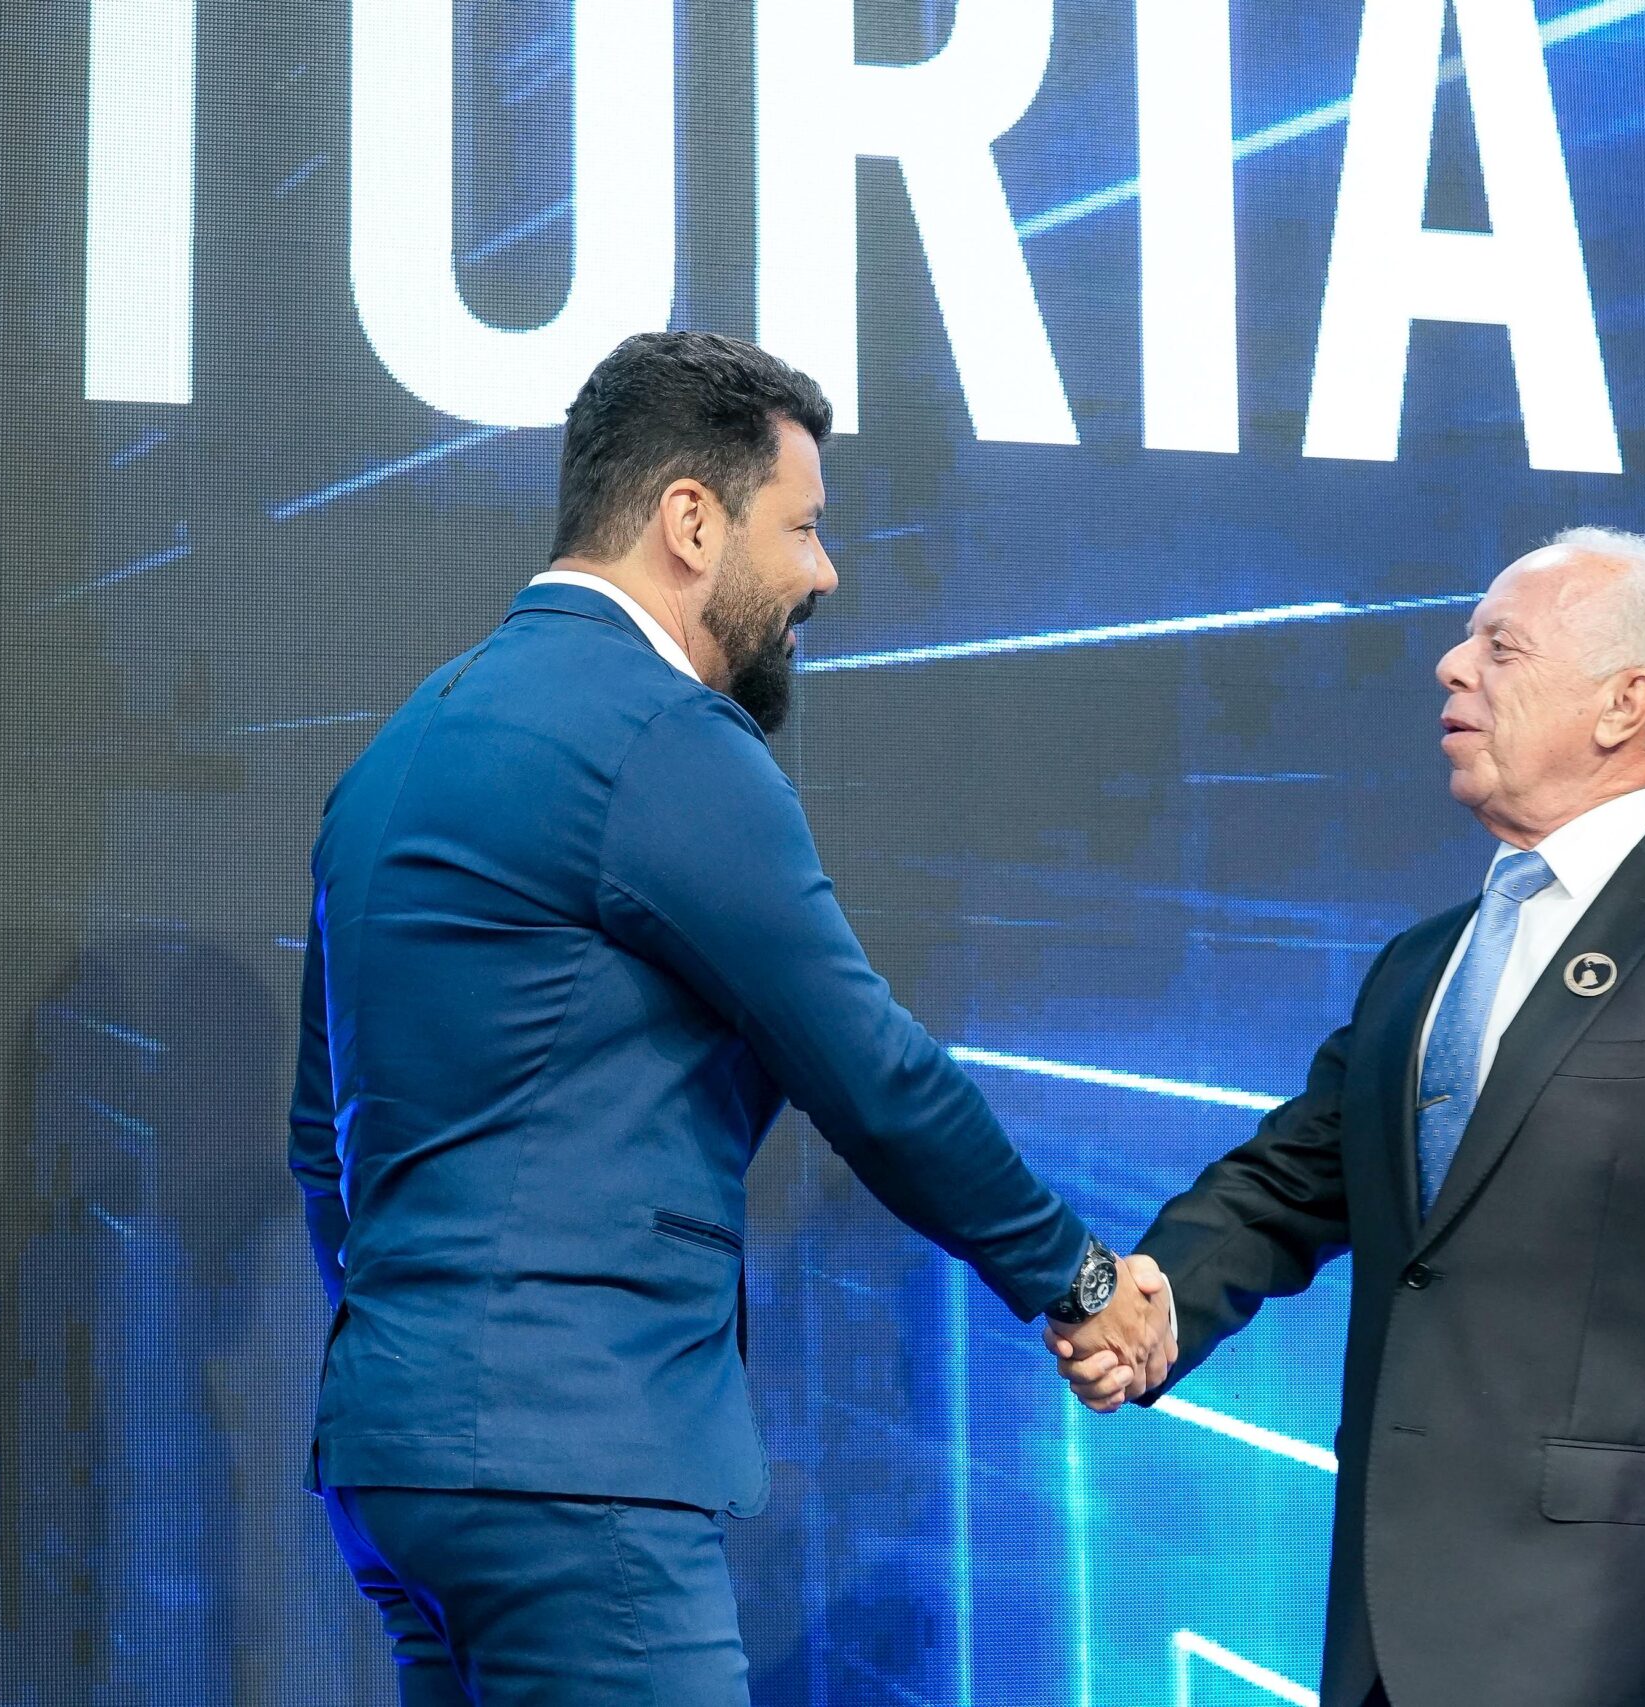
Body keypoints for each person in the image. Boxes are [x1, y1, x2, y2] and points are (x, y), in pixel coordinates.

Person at [288, 330, 1174, 1706]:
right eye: (801, 527)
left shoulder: (393, 754)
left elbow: (321, 1141)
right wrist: (1082, 1278)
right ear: (690, 521)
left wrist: (434, 1358)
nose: (825, 572)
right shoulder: (661, 738)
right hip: (574, 1462)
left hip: (396, 1465)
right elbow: (869, 1068)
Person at [1055, 529, 1645, 1707]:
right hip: (1388, 1625)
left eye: (1500, 647)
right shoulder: (1422, 966)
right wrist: (1146, 1303)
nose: (1450, 666)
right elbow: (1287, 1184)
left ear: (1624, 704)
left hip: (1623, 1620)